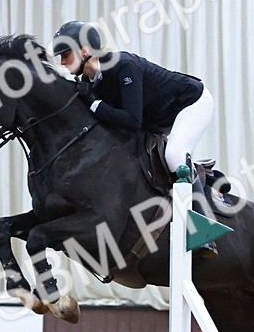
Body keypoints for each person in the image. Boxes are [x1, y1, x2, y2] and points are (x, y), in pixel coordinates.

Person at [51, 20, 219, 254]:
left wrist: (93, 103)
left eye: (66, 54)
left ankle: (203, 227)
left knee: (174, 154)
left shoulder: (123, 66)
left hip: (191, 103)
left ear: (84, 51)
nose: (62, 61)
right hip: (158, 117)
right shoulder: (89, 83)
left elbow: (131, 121)